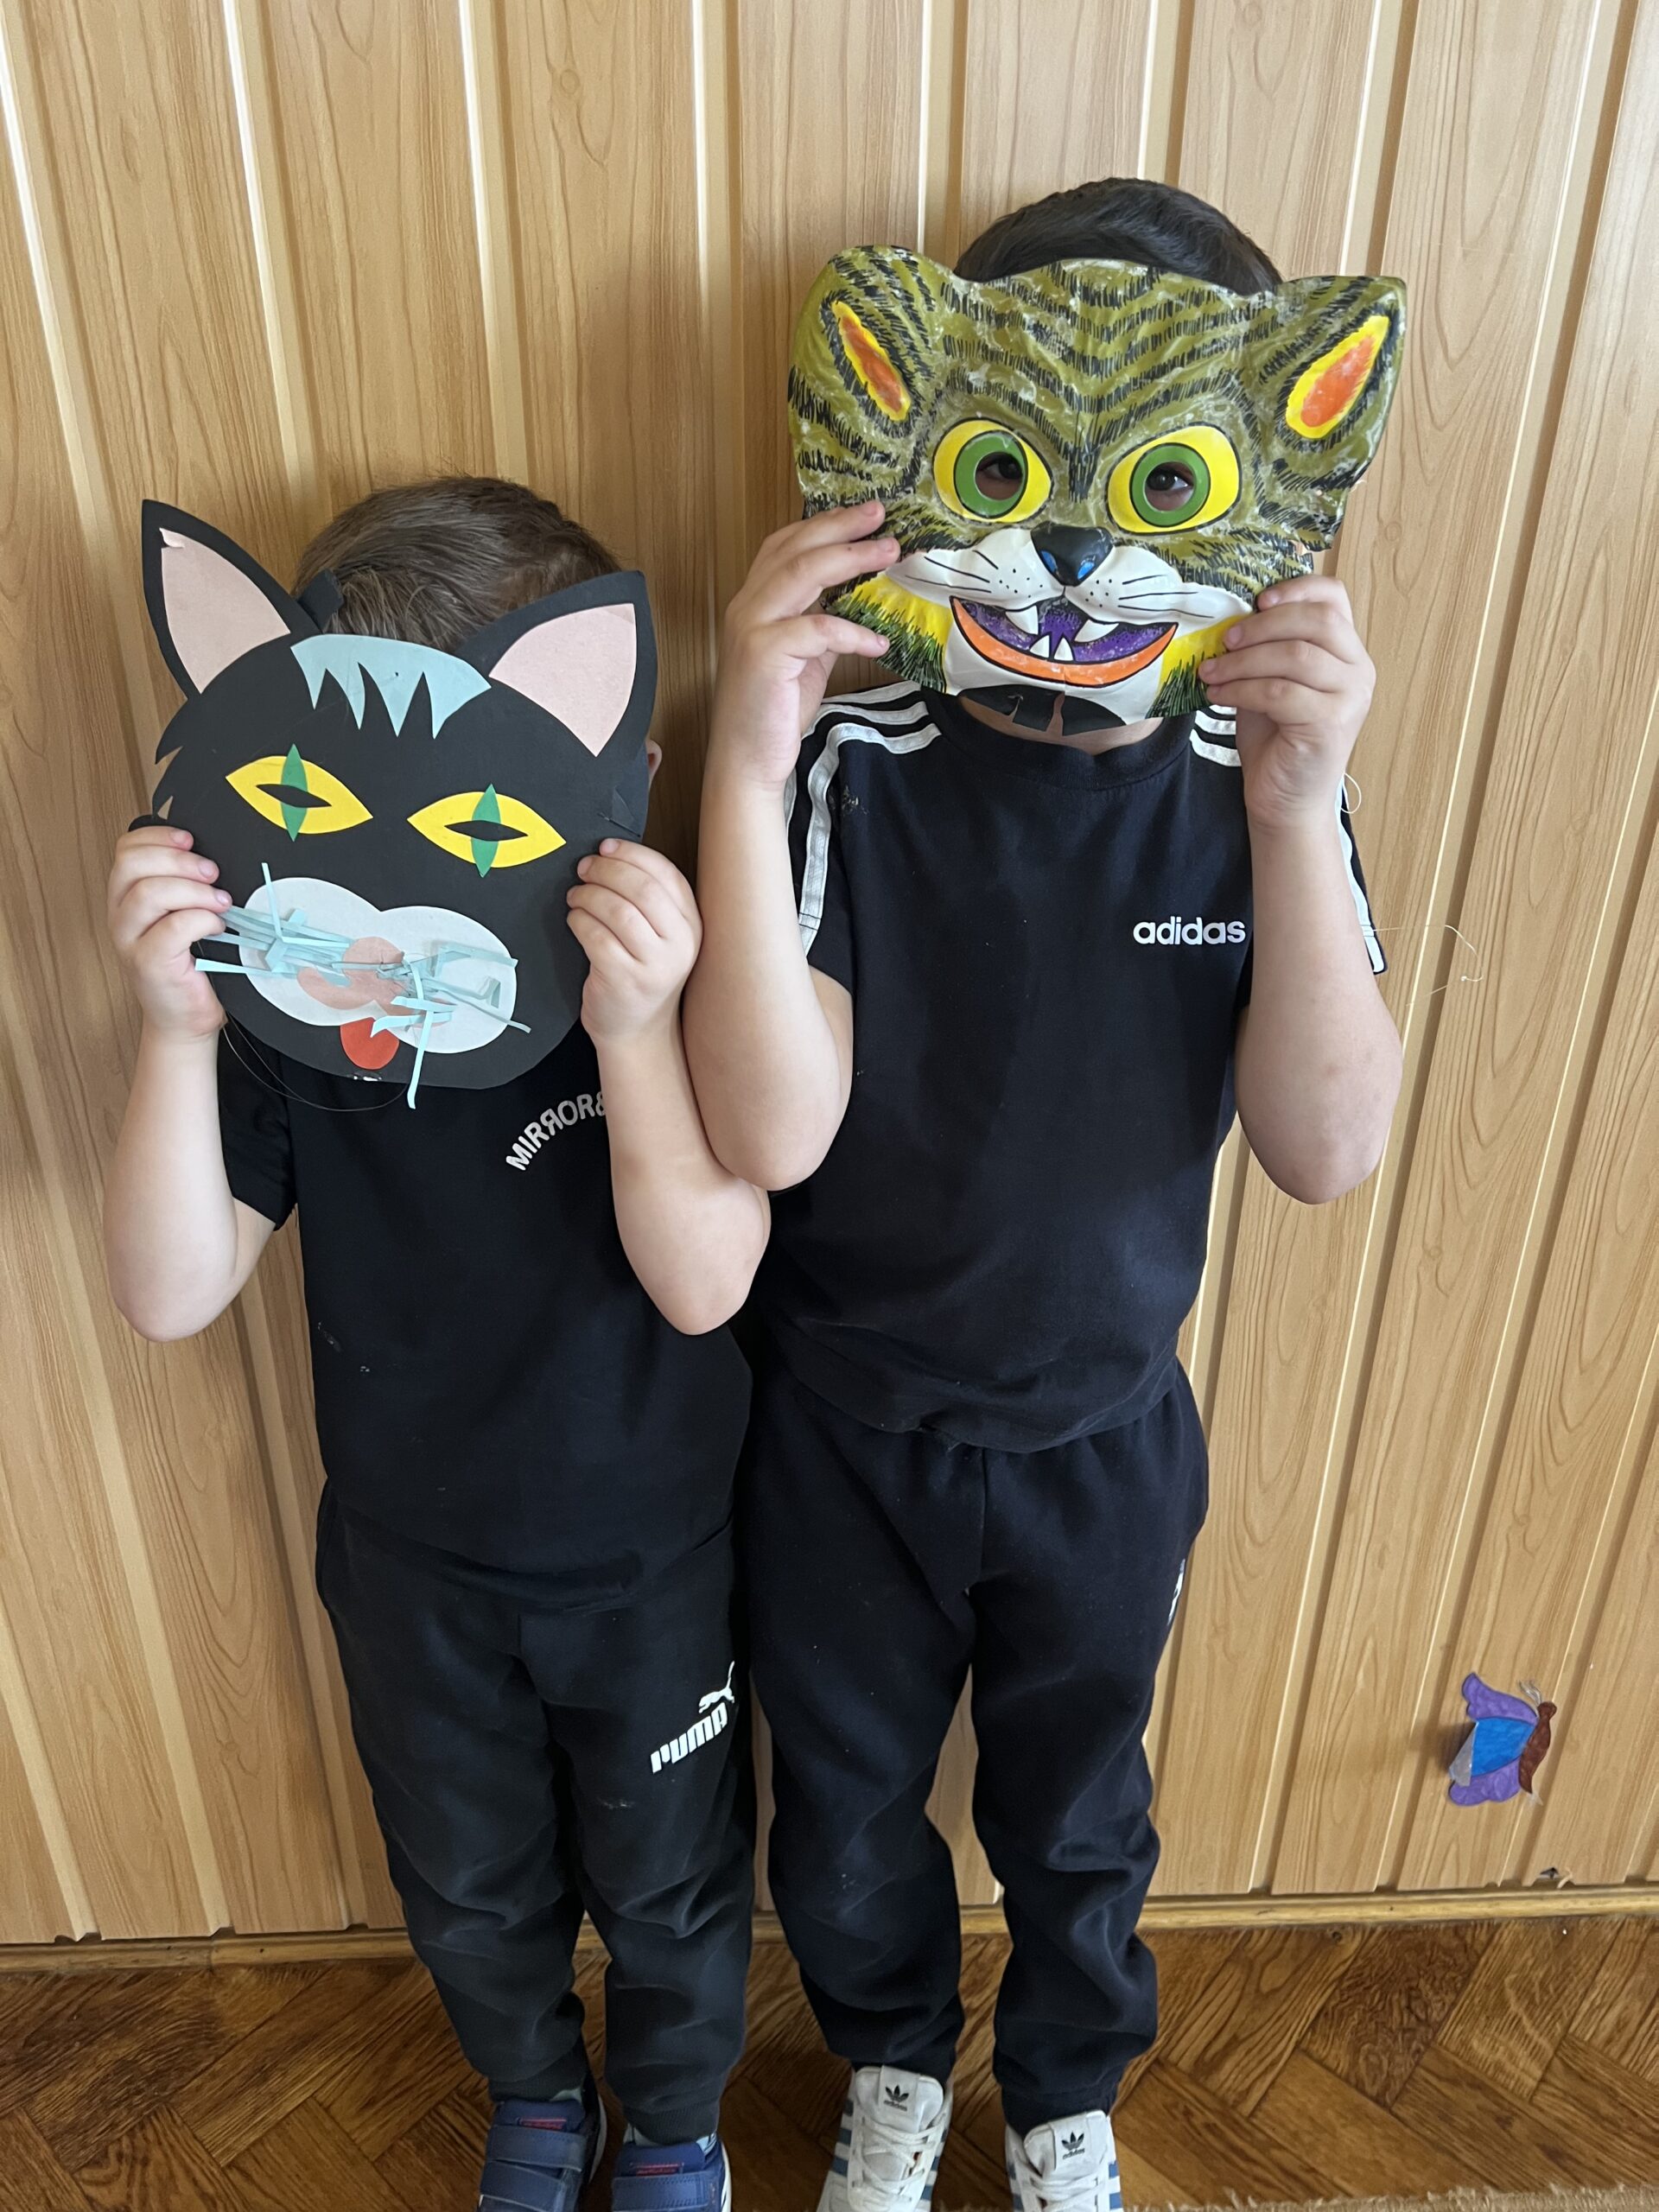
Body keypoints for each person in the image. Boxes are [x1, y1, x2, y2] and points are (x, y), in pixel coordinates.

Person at [684, 180, 1402, 2212]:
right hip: (843, 1429)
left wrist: (1298, 802)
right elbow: (770, 1131)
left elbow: (1329, 1146)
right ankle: (892, 2062)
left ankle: (1067, 2089)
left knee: (1082, 1814)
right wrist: (745, 749)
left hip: (1103, 1434)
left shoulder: (1249, 779)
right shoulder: (859, 760)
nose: (1078, 546)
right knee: (844, 1806)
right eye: (1013, 471)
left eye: (1161, 483)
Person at [105, 476, 766, 2212]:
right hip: (414, 1570)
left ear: (609, 771)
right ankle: (537, 2094)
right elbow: (169, 1289)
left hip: (649, 1564)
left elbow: (707, 1284)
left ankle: (676, 2120)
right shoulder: (295, 1021)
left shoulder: (666, 981)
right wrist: (178, 1029)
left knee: (674, 1882)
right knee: (469, 1884)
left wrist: (634, 1035)